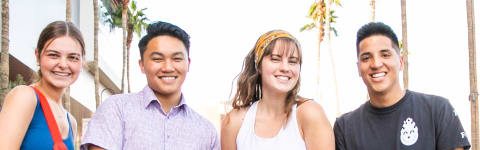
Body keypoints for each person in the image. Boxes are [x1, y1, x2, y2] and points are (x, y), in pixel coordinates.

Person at [81, 21, 219, 150]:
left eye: (177, 59)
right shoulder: (116, 109)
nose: (168, 67)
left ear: (188, 63)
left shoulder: (207, 131)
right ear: (142, 65)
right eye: (158, 59)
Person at [333, 22, 471, 150]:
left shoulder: (438, 109)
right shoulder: (345, 127)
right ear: (358, 68)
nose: (376, 64)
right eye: (366, 58)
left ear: (401, 62)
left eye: (385, 55)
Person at [221, 30, 334, 150]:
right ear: (258, 65)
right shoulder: (234, 122)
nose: (285, 68)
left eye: (292, 61)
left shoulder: (310, 113)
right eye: (275, 59)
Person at [0, 21, 84, 150]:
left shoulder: (71, 122)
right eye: (53, 55)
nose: (63, 64)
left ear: (82, 61)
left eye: (72, 57)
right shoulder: (24, 97)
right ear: (38, 56)